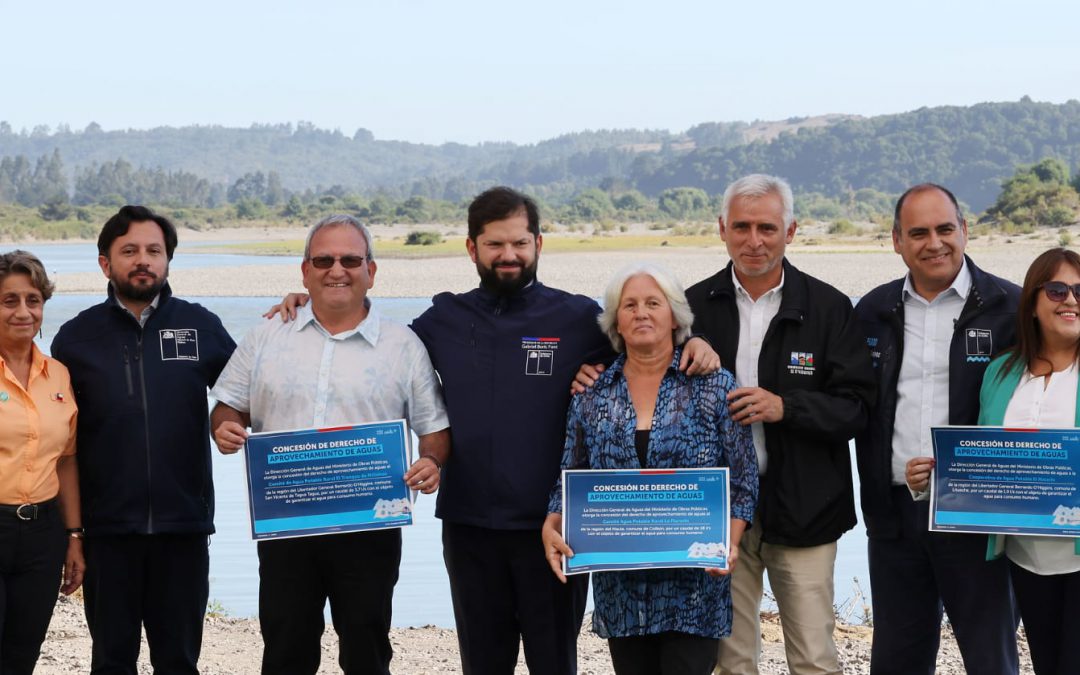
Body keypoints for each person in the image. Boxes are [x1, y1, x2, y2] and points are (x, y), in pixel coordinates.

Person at [267, 186, 720, 674]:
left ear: (538, 245)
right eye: (495, 245)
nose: (508, 255)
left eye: (519, 243)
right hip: (469, 528)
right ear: (472, 248)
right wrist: (315, 301)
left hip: (554, 529)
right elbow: (374, 343)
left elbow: (644, 340)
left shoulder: (577, 318)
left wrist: (695, 344)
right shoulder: (444, 319)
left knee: (554, 664)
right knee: (482, 664)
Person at [210, 214, 451, 675]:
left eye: (349, 260)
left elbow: (433, 428)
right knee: (285, 645)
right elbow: (228, 405)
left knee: (367, 645)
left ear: (371, 271)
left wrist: (431, 461)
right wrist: (224, 427)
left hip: (370, 527)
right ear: (305, 271)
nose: (336, 270)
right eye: (323, 260)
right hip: (286, 524)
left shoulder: (403, 345)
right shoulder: (266, 336)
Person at [685, 174, 875, 675]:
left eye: (767, 227)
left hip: (808, 507)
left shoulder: (830, 307)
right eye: (742, 227)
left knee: (814, 659)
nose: (754, 240)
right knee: (730, 661)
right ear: (722, 229)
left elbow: (857, 408)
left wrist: (785, 407)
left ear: (791, 231)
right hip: (717, 510)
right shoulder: (688, 308)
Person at [542, 263, 757, 675]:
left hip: (694, 587)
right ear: (615, 322)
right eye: (630, 305)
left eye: (653, 303)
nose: (641, 313)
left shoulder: (715, 386)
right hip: (621, 589)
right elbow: (570, 474)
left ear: (675, 317)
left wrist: (729, 544)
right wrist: (552, 523)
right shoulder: (592, 394)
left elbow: (743, 482)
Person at [51, 206, 236, 674]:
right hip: (107, 533)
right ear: (104, 263)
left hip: (184, 530)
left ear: (168, 260)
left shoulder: (201, 326)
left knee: (178, 661)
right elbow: (61, 443)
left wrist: (223, 420)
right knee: (111, 662)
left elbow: (246, 391)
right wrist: (71, 533)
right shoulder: (75, 338)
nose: (143, 260)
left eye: (154, 251)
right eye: (128, 250)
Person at [854, 183, 1021, 674]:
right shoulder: (871, 310)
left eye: (946, 229)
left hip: (979, 517)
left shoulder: (1010, 308)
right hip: (895, 515)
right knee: (897, 660)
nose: (935, 242)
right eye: (919, 232)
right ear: (896, 241)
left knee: (991, 658)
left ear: (965, 231)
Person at [924, 247, 1078, 674]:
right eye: (1057, 289)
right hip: (1026, 557)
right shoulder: (1001, 372)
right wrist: (934, 478)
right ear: (1031, 303)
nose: (1070, 299)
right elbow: (981, 457)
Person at [0, 250, 83, 674]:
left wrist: (74, 536)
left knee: (22, 654)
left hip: (43, 534)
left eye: (33, 300)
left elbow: (66, 460)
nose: (23, 311)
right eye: (9, 300)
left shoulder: (59, 375)